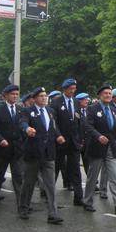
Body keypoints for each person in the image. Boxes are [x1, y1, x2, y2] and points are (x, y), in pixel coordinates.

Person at [82, 84, 116, 215]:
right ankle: (87, 201)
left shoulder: (113, 110)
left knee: (114, 176)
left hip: (110, 148)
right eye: (105, 93)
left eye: (109, 93)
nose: (108, 95)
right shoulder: (92, 109)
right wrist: (98, 136)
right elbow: (88, 126)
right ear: (100, 95)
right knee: (92, 177)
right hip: (97, 147)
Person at [19, 87, 65, 224]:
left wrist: (59, 136)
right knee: (29, 183)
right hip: (33, 153)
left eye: (45, 96)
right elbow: (22, 122)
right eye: (41, 96)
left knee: (50, 185)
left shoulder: (50, 111)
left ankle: (53, 213)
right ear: (34, 99)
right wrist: (27, 129)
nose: (44, 98)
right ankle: (23, 207)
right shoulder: (27, 111)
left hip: (48, 153)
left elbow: (53, 127)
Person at [0, 84, 24, 210]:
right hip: (2, 149)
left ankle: (21, 203)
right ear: (6, 96)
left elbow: (22, 126)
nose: (15, 96)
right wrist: (1, 139)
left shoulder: (20, 109)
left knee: (18, 176)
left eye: (17, 94)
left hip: (16, 149)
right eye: (12, 94)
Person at [51, 78, 84, 206]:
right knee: (56, 168)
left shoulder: (76, 102)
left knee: (75, 169)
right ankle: (48, 194)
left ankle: (78, 197)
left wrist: (80, 138)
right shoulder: (56, 102)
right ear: (64, 89)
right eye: (70, 88)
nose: (72, 91)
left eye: (74, 88)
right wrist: (58, 135)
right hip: (60, 142)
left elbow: (79, 121)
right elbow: (53, 121)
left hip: (73, 142)